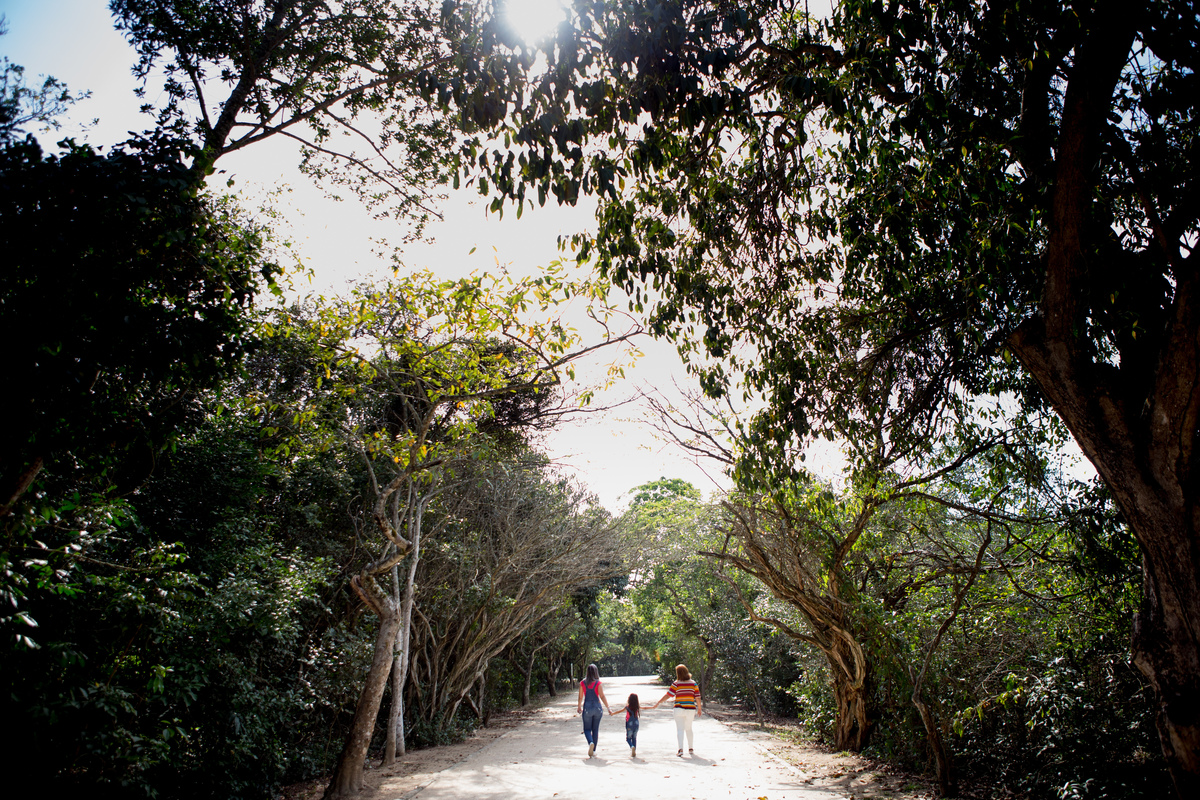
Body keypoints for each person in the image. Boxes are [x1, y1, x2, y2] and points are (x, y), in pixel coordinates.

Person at [651, 664, 702, 756]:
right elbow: (698, 697)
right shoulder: (693, 683)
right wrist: (699, 709)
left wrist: (659, 702)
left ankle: (680, 749)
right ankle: (690, 749)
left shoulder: (676, 683)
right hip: (690, 709)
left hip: (678, 709)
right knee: (689, 728)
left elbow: (668, 695)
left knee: (680, 729)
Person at [576, 663, 611, 757]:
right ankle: (594, 750)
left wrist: (579, 706)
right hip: (597, 708)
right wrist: (608, 707)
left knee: (587, 729)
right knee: (595, 729)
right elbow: (602, 696)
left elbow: (580, 697)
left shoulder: (582, 683)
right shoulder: (598, 683)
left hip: (587, 708)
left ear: (587, 672)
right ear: (596, 672)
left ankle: (590, 742)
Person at [608, 692, 641, 757]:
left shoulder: (627, 708)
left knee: (628, 738)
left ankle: (631, 747)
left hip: (629, 724)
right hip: (636, 724)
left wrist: (612, 713)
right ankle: (634, 751)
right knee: (634, 738)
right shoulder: (637, 707)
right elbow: (645, 708)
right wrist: (653, 707)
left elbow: (619, 711)